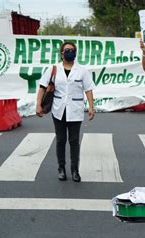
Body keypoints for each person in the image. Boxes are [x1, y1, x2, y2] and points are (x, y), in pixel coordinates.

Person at [36, 41, 95, 182]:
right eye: (67, 50)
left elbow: (88, 89)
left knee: (74, 141)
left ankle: (75, 170)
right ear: (62, 53)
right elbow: (42, 87)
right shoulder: (54, 69)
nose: (70, 52)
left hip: (75, 110)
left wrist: (91, 107)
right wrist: (38, 105)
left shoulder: (82, 70)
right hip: (58, 109)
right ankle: (61, 168)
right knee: (61, 140)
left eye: (72, 50)